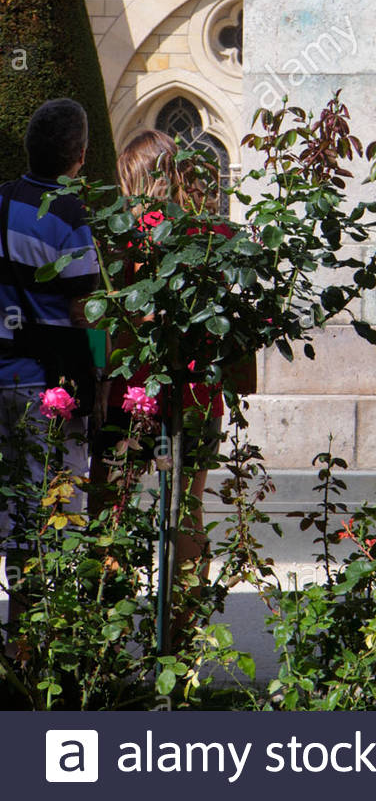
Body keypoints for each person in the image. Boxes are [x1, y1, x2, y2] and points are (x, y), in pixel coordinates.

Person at [90, 131, 227, 579]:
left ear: (134, 178)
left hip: (134, 396)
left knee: (111, 508)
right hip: (198, 392)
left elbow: (113, 321)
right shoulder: (213, 234)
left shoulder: (125, 236)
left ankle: (105, 627)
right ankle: (184, 641)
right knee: (189, 511)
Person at [0, 99, 98, 618]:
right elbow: (85, 305)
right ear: (79, 156)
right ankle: (35, 638)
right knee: (52, 508)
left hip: (4, 374)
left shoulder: (1, 201)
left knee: (12, 506)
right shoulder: (67, 212)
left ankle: (17, 643)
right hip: (48, 387)